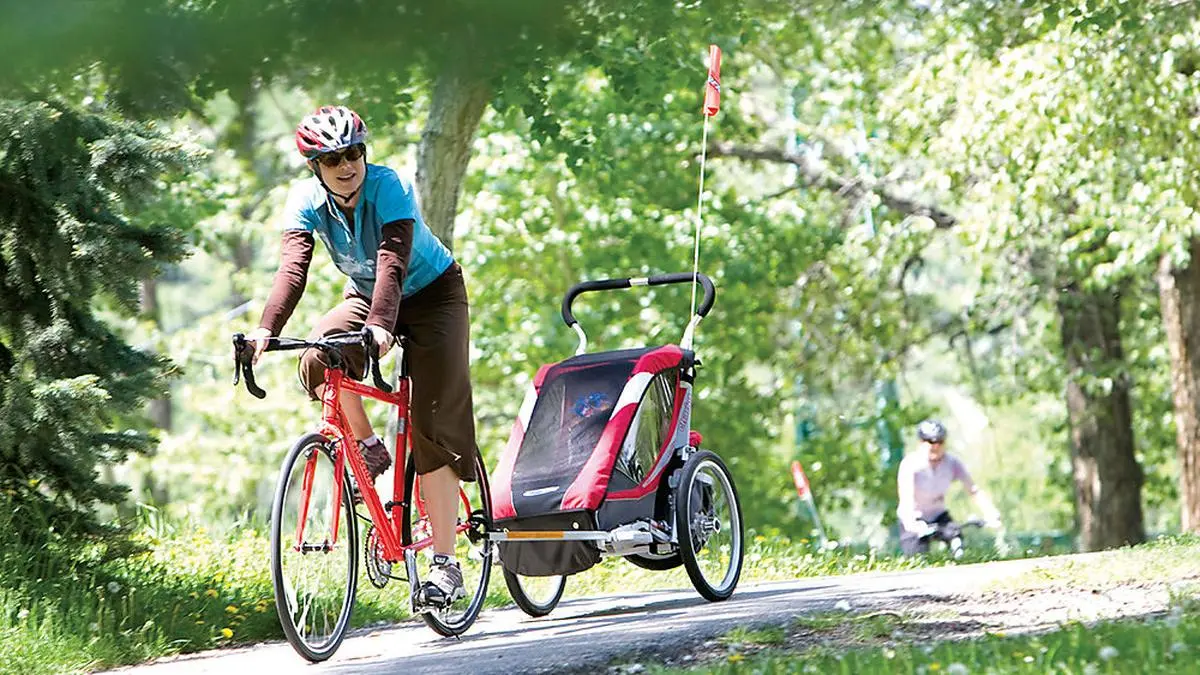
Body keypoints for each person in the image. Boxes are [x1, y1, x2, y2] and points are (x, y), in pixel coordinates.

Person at [245, 105, 476, 606]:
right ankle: (369, 446)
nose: (346, 165)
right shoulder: (305, 201)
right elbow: (293, 269)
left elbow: (393, 261)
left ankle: (446, 564)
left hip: (433, 295)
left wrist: (381, 326)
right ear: (316, 168)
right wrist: (266, 329)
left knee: (431, 423)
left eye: (352, 154)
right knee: (317, 356)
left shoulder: (389, 186)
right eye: (332, 160)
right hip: (364, 297)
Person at [896, 419, 1002, 556]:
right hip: (913, 518)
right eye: (931, 442)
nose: (936, 446)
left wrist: (990, 512)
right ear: (921, 443)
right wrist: (911, 523)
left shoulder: (951, 463)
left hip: (938, 515)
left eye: (940, 442)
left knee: (956, 539)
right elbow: (906, 497)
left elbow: (973, 490)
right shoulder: (911, 464)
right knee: (916, 558)